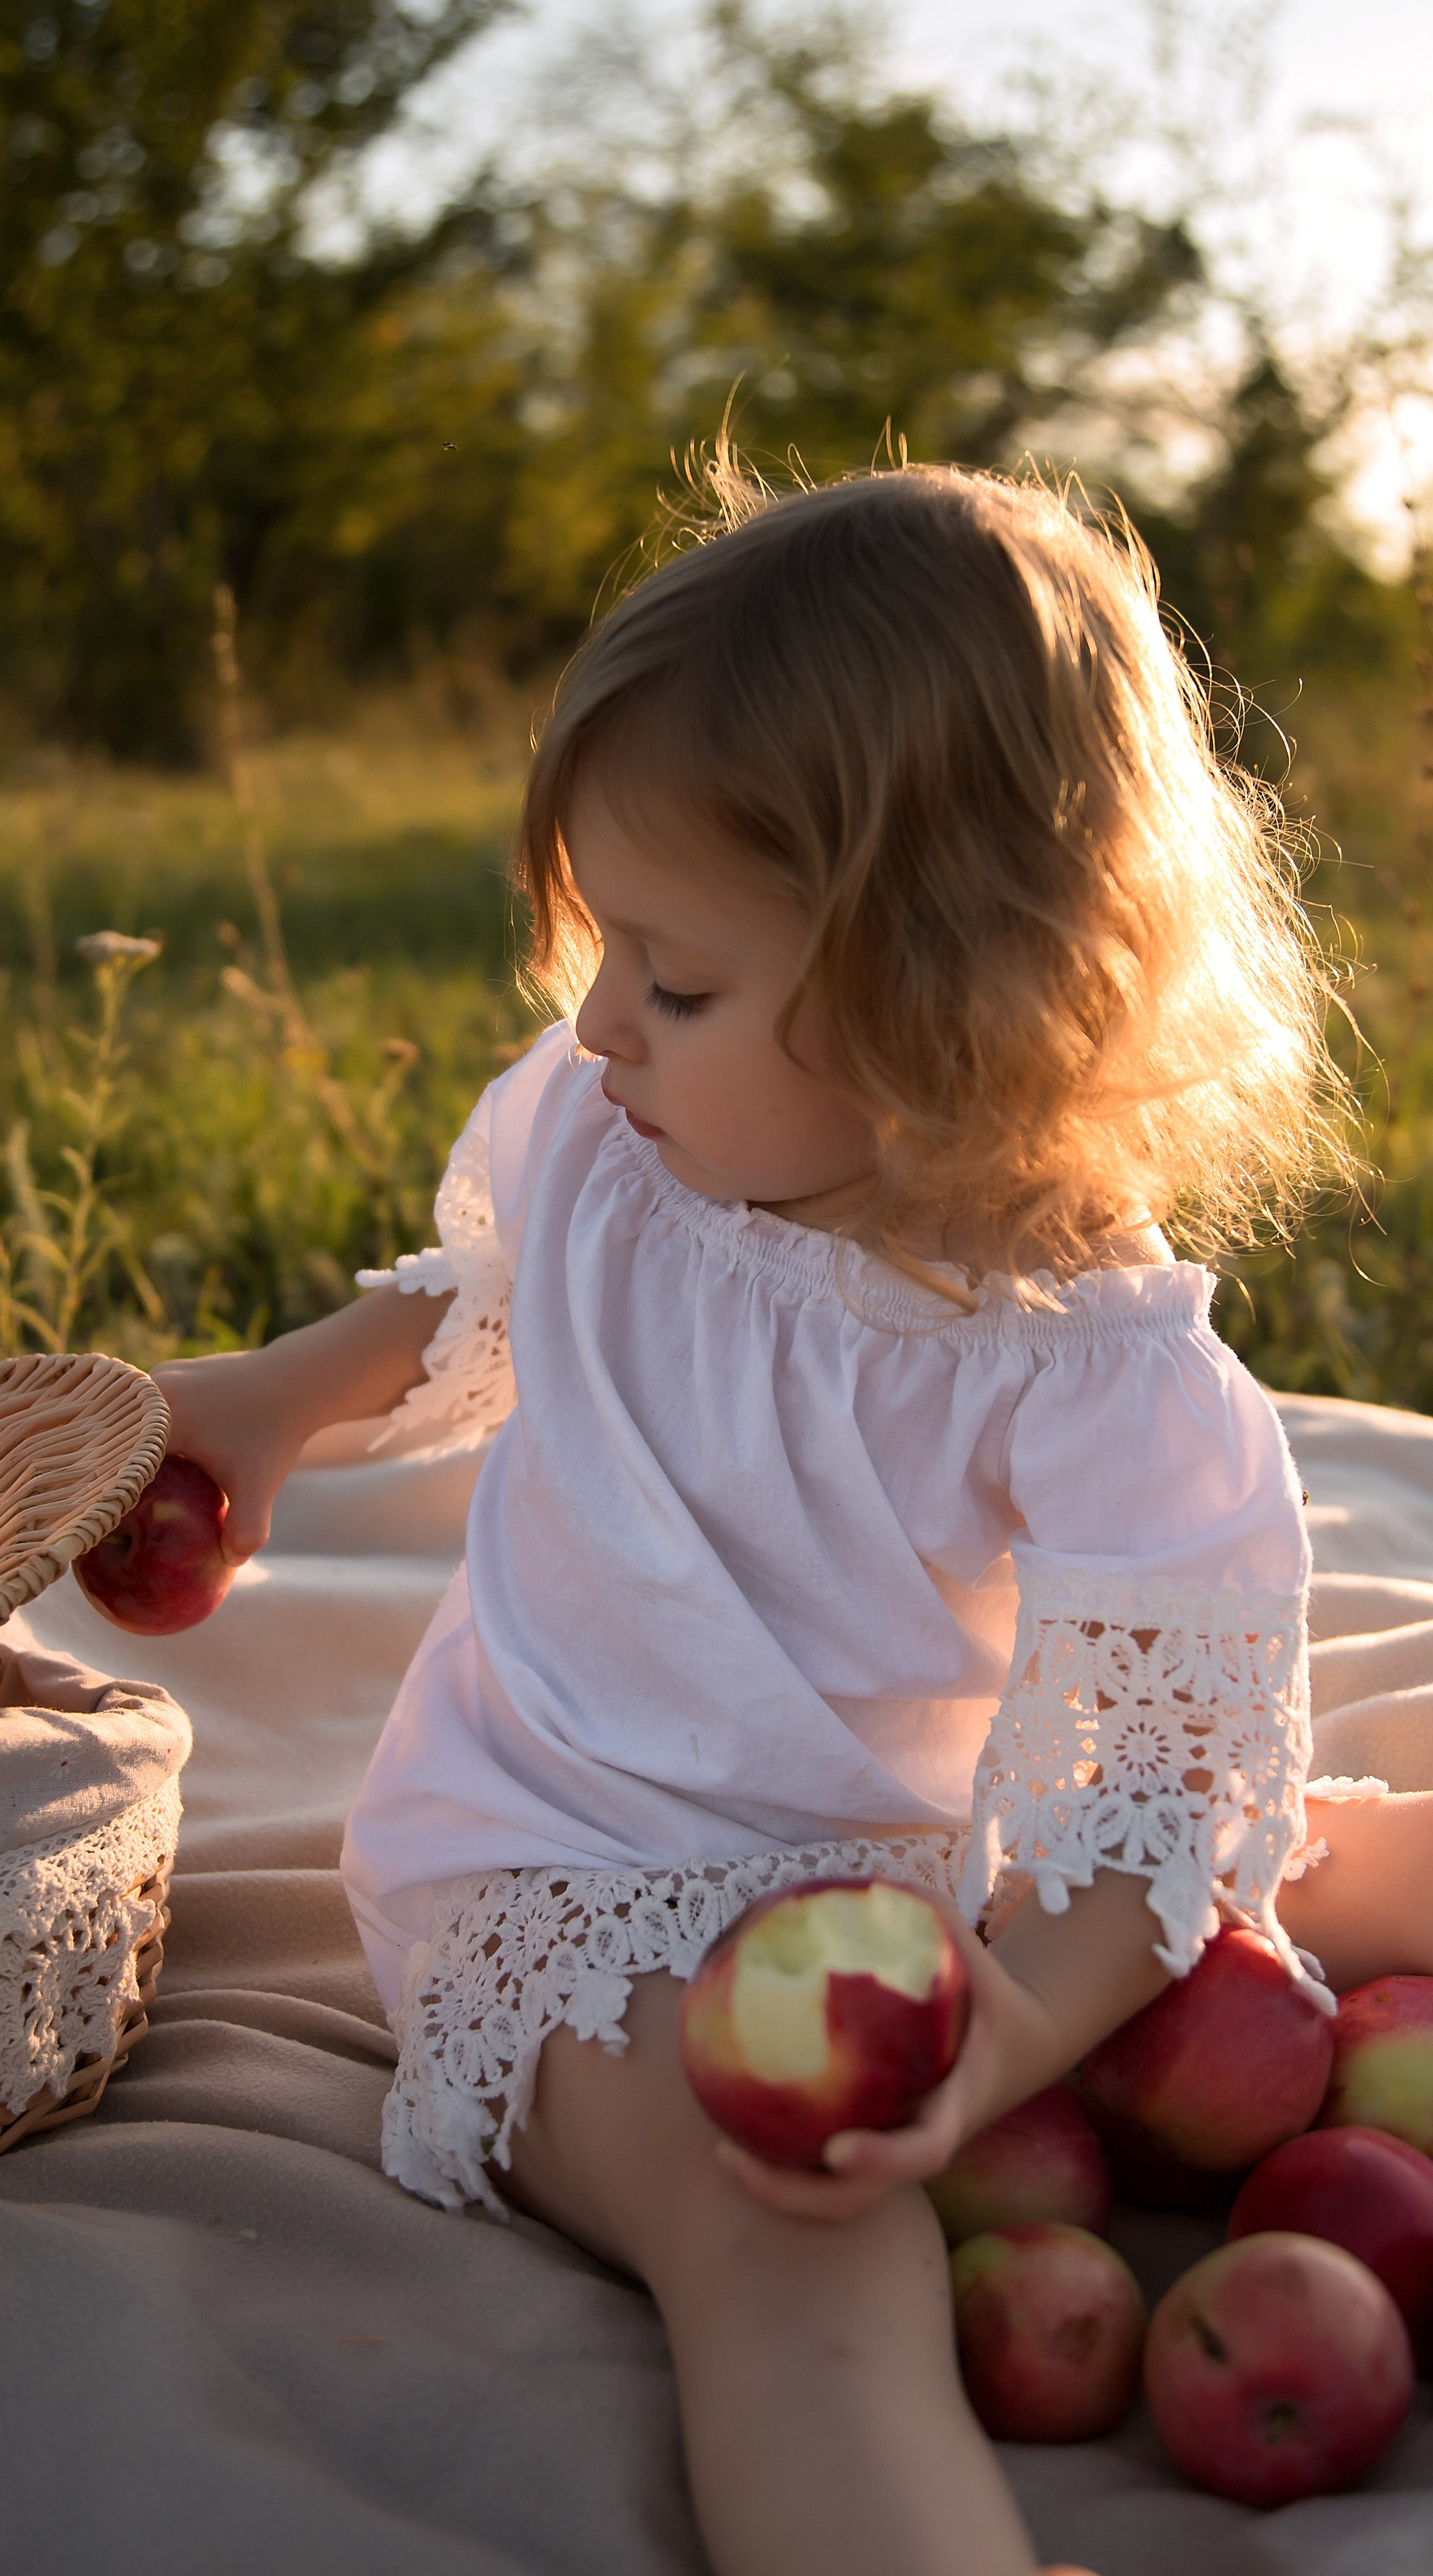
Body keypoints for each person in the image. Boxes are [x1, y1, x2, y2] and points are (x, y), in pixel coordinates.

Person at [157, 463, 1433, 2576]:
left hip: (912, 1870)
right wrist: (275, 1402)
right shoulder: (613, 1137)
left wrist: (1012, 2031)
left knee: (1331, 1850)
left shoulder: (1083, 1352)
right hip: (577, 1874)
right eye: (607, 948)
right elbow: (497, 1294)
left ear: (952, 1004)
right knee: (796, 2247)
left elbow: (1162, 1773)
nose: (595, 1025)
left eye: (673, 978)